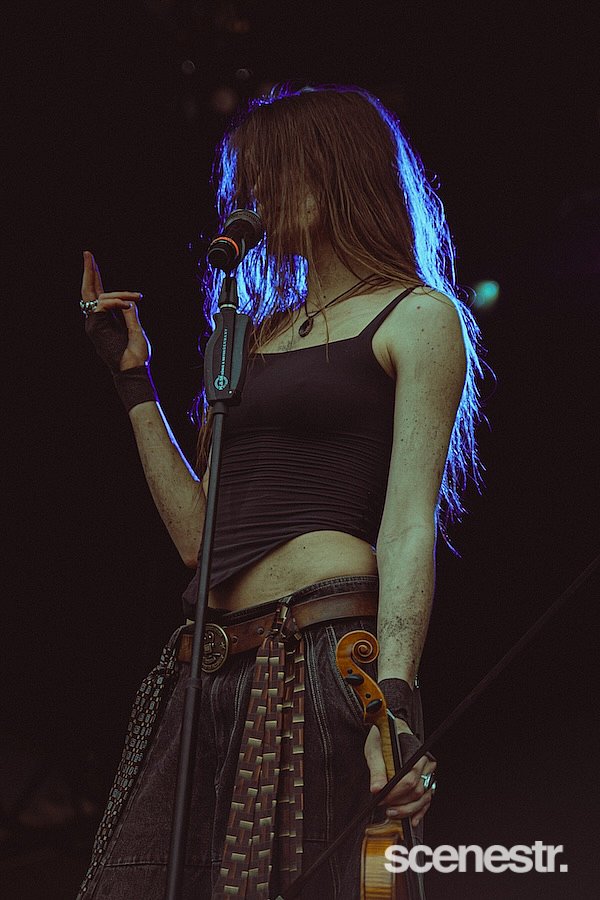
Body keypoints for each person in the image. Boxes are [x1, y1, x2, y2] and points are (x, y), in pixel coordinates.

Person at [76, 84, 484, 899]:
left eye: (270, 173)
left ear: (334, 171)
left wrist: (395, 707)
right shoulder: (253, 334)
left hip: (323, 653)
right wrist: (132, 383)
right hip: (212, 665)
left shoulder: (415, 316)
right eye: (246, 180)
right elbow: (197, 539)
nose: (252, 197)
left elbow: (408, 524)